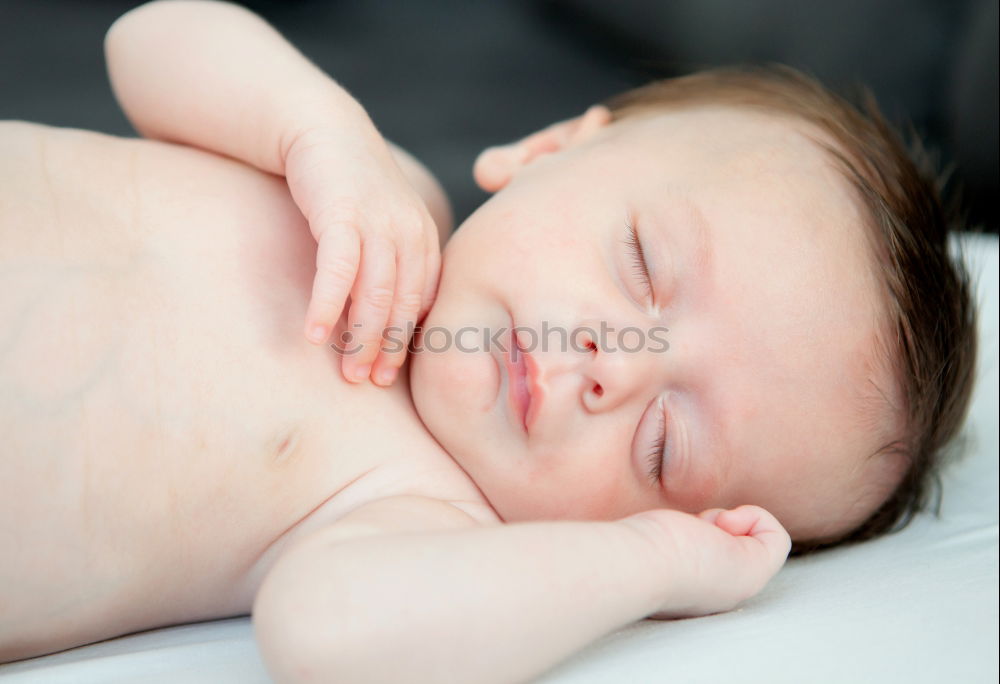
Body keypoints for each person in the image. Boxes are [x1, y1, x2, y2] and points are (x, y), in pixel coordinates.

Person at [0, 1, 977, 681]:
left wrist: (651, 566)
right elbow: (153, 37)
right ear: (552, 149)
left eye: (662, 448)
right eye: (639, 262)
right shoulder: (376, 188)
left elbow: (326, 635)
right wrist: (313, 132)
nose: (611, 366)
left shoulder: (420, 515)